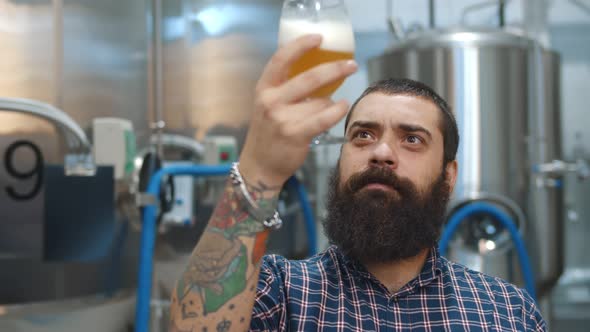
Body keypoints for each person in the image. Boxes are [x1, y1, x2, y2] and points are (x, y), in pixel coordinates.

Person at [169, 35, 546, 332]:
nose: (381, 152)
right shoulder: (276, 292)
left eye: (412, 139)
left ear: (449, 176)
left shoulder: (507, 313)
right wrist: (258, 171)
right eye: (363, 135)